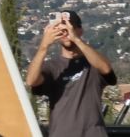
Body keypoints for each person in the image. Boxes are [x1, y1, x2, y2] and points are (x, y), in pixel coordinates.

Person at [26, 9, 116, 137]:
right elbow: (31, 81)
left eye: (69, 28)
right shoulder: (52, 66)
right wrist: (43, 46)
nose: (65, 33)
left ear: (80, 30)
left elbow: (106, 69)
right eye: (60, 29)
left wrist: (76, 39)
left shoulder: (93, 62)